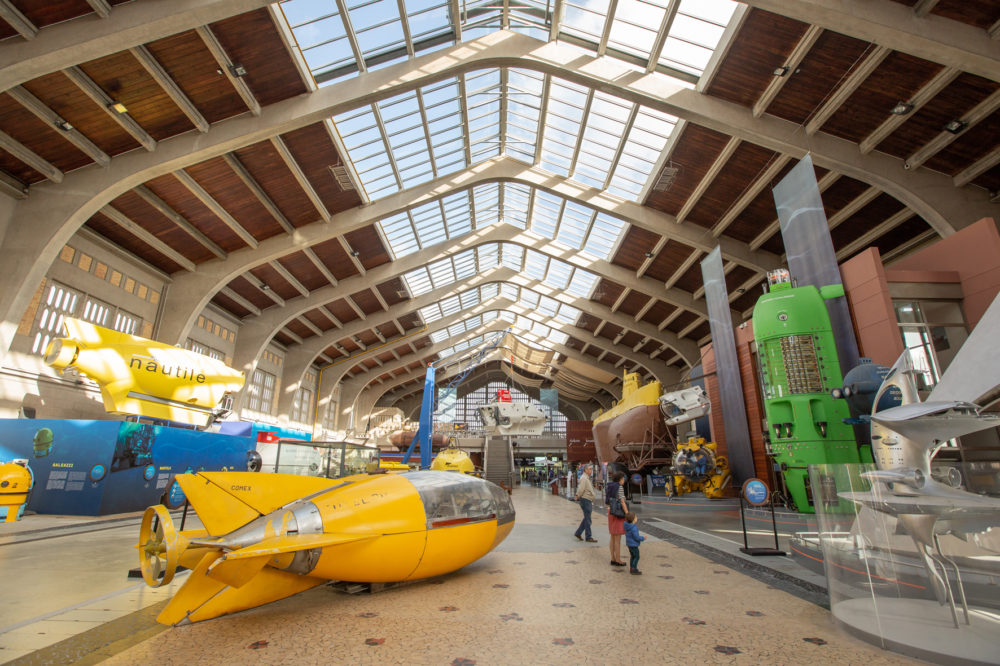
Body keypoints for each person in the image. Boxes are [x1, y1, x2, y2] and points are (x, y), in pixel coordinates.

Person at [606, 471, 628, 566]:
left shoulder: (609, 486)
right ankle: (618, 559)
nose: (624, 481)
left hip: (610, 512)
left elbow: (607, 501)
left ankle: (613, 558)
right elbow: (622, 501)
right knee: (618, 538)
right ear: (620, 479)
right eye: (623, 479)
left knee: (612, 536)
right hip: (618, 513)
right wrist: (627, 513)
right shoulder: (619, 487)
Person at [573, 464, 598, 543]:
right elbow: (581, 489)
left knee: (587, 518)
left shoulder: (586, 478)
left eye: (591, 469)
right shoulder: (584, 478)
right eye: (590, 469)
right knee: (588, 519)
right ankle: (588, 536)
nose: (591, 470)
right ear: (586, 470)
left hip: (587, 500)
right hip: (585, 500)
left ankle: (578, 533)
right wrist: (577, 495)